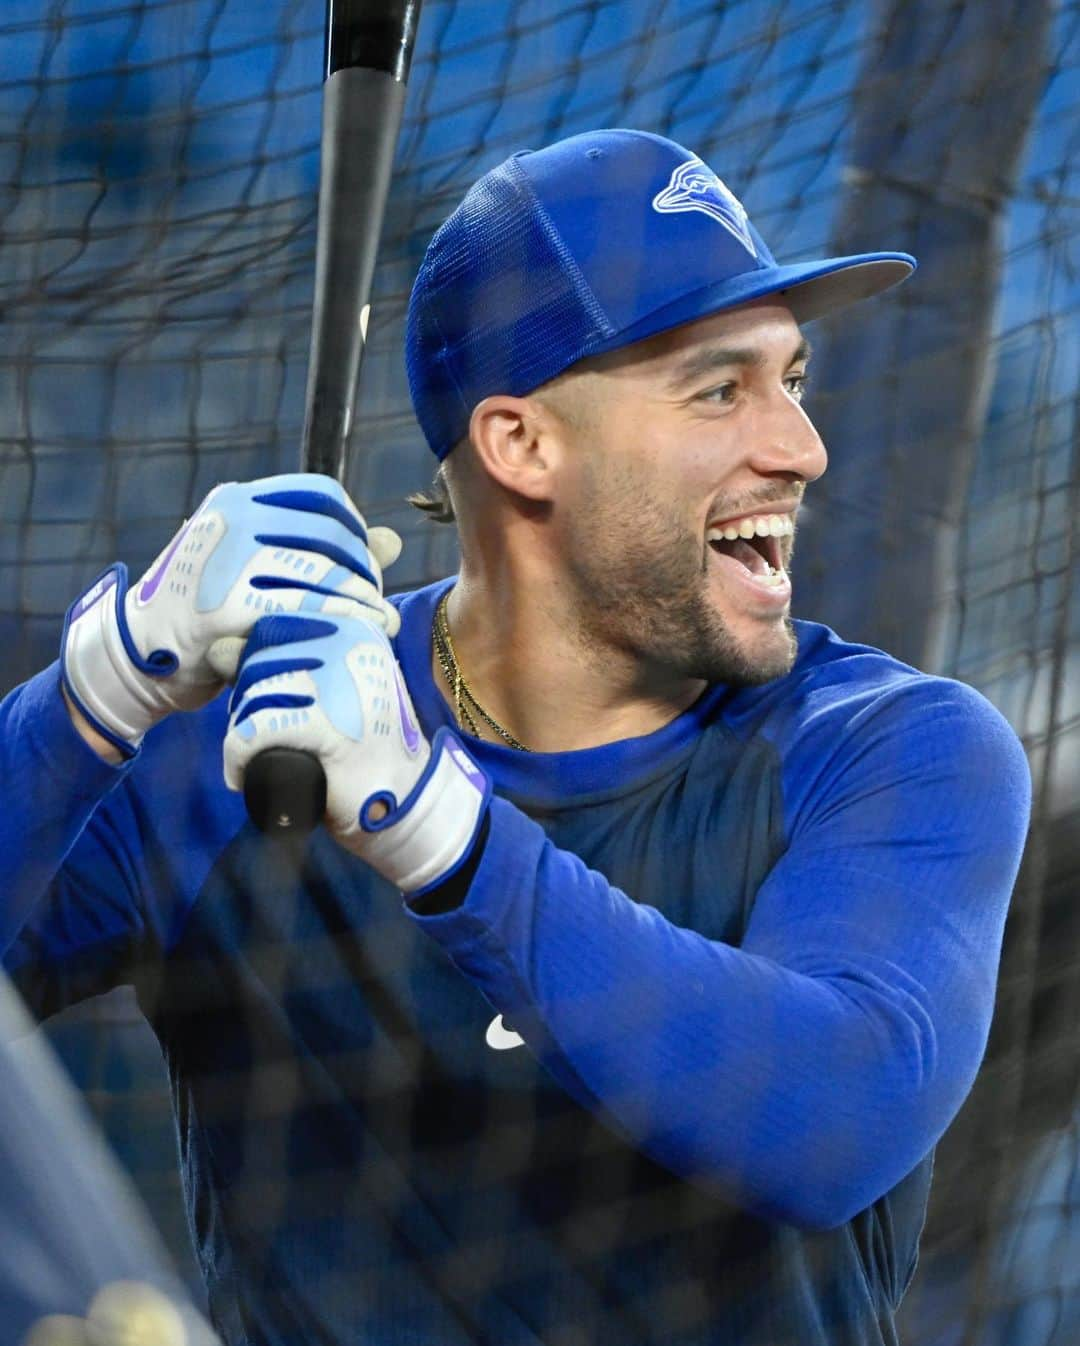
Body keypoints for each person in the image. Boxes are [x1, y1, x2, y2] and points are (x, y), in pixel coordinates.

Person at [1, 129, 1031, 1346]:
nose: (800, 448)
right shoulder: (243, 746)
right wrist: (97, 690)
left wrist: (432, 825)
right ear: (520, 444)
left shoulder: (891, 749)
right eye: (720, 387)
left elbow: (831, 1115)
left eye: (792, 379)